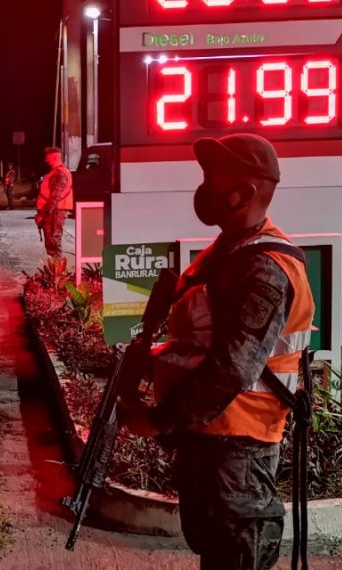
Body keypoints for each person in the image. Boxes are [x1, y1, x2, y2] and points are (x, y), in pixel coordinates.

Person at [120, 134, 315, 570]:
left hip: (240, 449)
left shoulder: (266, 269)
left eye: (213, 178)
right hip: (211, 440)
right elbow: (200, 344)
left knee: (234, 558)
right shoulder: (228, 251)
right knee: (213, 552)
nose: (204, 187)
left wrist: (157, 421)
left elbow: (232, 369)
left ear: (244, 192)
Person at [35, 147, 73, 261]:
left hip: (54, 212)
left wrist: (42, 215)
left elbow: (54, 198)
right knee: (52, 242)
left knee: (53, 243)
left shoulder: (59, 174)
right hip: (53, 211)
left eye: (48, 158)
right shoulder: (56, 172)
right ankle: (55, 268)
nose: (46, 160)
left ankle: (57, 269)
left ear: (55, 158)